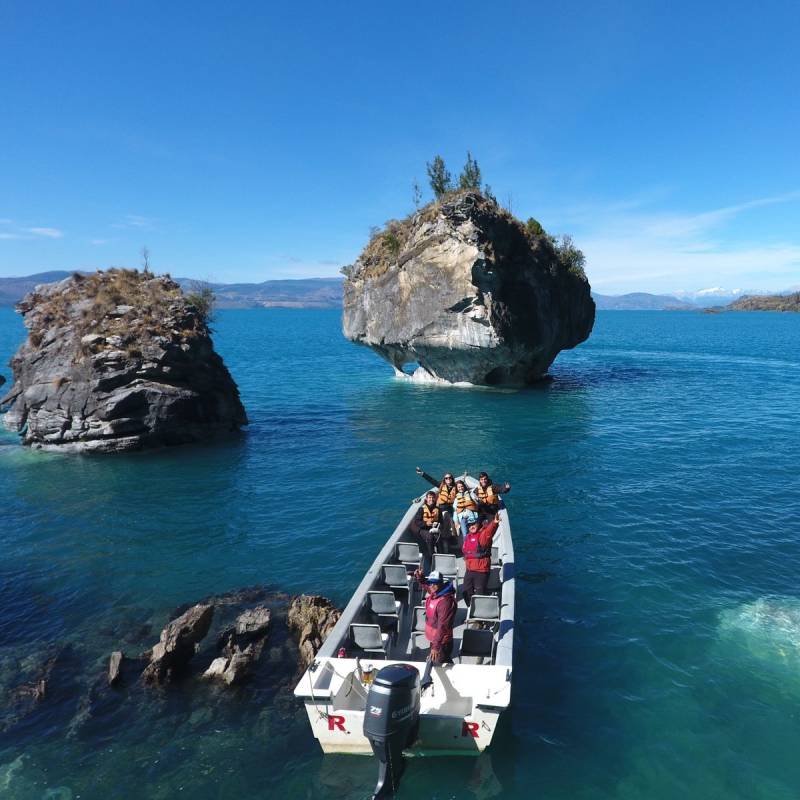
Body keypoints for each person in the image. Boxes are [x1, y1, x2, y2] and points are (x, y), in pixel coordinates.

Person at [413, 568, 456, 664]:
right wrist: (421, 578)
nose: (431, 585)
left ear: (440, 583)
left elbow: (442, 626)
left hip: (442, 642)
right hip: (435, 639)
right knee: (444, 661)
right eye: (430, 582)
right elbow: (428, 587)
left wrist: (436, 647)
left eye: (434, 583)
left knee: (438, 665)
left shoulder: (445, 602)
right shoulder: (437, 591)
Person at [462, 512, 501, 606]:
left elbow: (489, 532)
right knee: (466, 591)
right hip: (470, 569)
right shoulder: (467, 537)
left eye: (474, 524)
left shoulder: (483, 536)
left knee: (479, 594)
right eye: (470, 525)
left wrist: (494, 523)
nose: (472, 526)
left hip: (481, 570)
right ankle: (471, 609)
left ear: (478, 524)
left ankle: (479, 617)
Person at [415, 467, 458, 545]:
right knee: (445, 518)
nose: (448, 479)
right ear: (444, 480)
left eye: (449, 478)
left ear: (452, 479)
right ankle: (445, 537)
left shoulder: (456, 488)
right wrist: (422, 474)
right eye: (446, 478)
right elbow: (432, 480)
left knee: (453, 520)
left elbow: (463, 490)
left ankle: (453, 537)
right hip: (440, 508)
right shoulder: (441, 486)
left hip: (450, 508)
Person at [410, 490, 441, 572]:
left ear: (435, 499)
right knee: (430, 537)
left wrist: (437, 524)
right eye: (429, 498)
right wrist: (426, 523)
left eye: (433, 498)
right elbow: (417, 521)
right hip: (422, 529)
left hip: (433, 528)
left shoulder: (438, 509)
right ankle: (431, 558)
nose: (431, 499)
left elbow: (441, 520)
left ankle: (439, 555)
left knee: (438, 537)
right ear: (426, 499)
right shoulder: (422, 509)